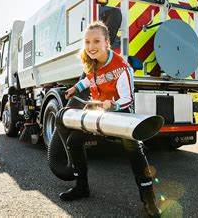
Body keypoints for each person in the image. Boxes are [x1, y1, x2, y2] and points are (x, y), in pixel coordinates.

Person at [58, 21, 162, 217]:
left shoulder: (123, 68)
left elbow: (127, 99)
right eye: (87, 42)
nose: (91, 46)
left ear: (107, 42)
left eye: (96, 41)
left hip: (121, 115)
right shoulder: (92, 63)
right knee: (74, 140)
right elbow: (89, 79)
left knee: (134, 149)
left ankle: (149, 200)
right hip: (100, 114)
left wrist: (112, 105)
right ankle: (82, 187)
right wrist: (76, 88)